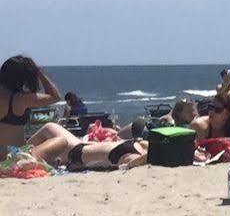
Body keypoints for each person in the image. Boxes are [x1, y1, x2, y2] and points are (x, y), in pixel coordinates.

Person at [1, 55, 148, 169]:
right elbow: (54, 96)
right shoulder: (20, 99)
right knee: (61, 141)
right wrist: (38, 71)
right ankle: (34, 159)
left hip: (10, 153)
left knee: (51, 130)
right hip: (15, 156)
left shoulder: (11, 98)